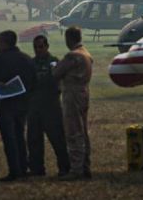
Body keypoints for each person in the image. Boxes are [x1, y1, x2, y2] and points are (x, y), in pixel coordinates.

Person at [0, 30, 36, 182]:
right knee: (20, 136)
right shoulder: (27, 59)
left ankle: (14, 171)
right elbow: (34, 81)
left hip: (5, 104)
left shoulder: (1, 60)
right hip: (23, 104)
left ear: (4, 43)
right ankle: (23, 167)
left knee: (9, 139)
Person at [27, 35, 71, 177]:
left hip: (50, 106)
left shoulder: (53, 62)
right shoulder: (31, 63)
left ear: (47, 46)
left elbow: (55, 82)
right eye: (35, 47)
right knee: (34, 139)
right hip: (34, 106)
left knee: (57, 139)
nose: (38, 50)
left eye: (40, 47)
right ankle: (36, 168)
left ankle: (64, 167)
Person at [53, 26, 93, 181]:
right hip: (84, 92)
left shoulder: (72, 56)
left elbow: (56, 73)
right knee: (83, 131)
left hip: (72, 94)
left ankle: (76, 169)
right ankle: (85, 166)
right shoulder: (86, 53)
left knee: (73, 131)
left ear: (68, 39)